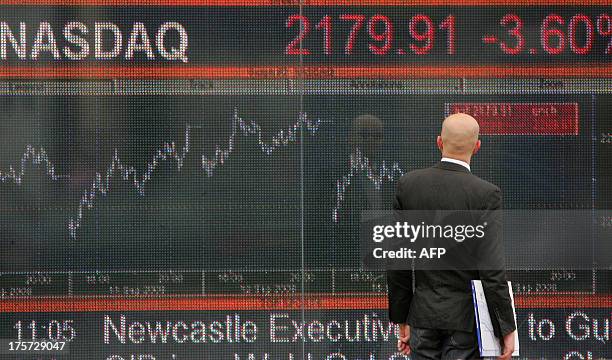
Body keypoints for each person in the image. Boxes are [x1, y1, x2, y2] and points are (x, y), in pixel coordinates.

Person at [386, 113, 517, 360]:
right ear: (477, 147)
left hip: (422, 318)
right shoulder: (486, 194)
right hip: (466, 322)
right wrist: (505, 328)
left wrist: (402, 319)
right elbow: (492, 270)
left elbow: (397, 262)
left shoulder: (409, 186)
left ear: (439, 142)